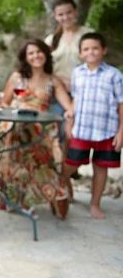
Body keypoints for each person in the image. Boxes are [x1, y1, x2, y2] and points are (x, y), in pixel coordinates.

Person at [0, 39, 73, 218]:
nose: (36, 56)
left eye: (39, 52)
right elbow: (4, 103)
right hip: (17, 124)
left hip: (41, 126)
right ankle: (15, 196)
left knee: (37, 140)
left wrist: (70, 115)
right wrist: (18, 107)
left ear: (45, 54)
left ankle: (47, 194)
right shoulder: (17, 78)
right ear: (25, 57)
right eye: (31, 53)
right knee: (16, 130)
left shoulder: (52, 80)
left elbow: (67, 105)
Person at [62, 32, 123, 219]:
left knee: (101, 167)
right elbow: (75, 99)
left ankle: (95, 204)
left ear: (104, 50)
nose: (91, 52)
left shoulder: (114, 75)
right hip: (82, 128)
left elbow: (121, 103)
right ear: (80, 53)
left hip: (107, 130)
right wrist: (69, 122)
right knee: (70, 164)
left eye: (95, 48)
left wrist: (121, 132)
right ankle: (65, 188)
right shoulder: (77, 73)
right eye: (86, 49)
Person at [45, 0, 94, 158]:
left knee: (73, 132)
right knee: (55, 129)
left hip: (81, 93)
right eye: (60, 14)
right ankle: (57, 169)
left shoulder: (87, 35)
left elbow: (94, 63)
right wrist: (59, 81)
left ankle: (70, 168)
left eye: (69, 13)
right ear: (55, 16)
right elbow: (44, 67)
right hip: (57, 93)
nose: (65, 17)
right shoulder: (51, 39)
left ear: (76, 12)